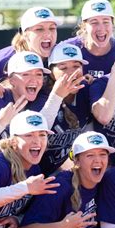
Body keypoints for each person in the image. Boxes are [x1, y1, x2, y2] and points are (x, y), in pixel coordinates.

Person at [0, 6, 60, 91]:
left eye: (52, 28)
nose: (48, 34)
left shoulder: (61, 57)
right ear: (24, 33)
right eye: (39, 29)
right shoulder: (2, 60)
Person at [40, 43, 93, 175]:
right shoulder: (41, 95)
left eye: (76, 66)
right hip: (41, 175)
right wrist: (57, 96)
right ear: (51, 72)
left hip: (73, 171)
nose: (72, 72)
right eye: (63, 68)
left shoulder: (86, 92)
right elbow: (37, 131)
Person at [63, 0, 115, 79]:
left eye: (106, 22)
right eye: (94, 22)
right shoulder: (67, 49)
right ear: (84, 26)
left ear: (112, 25)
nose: (101, 28)